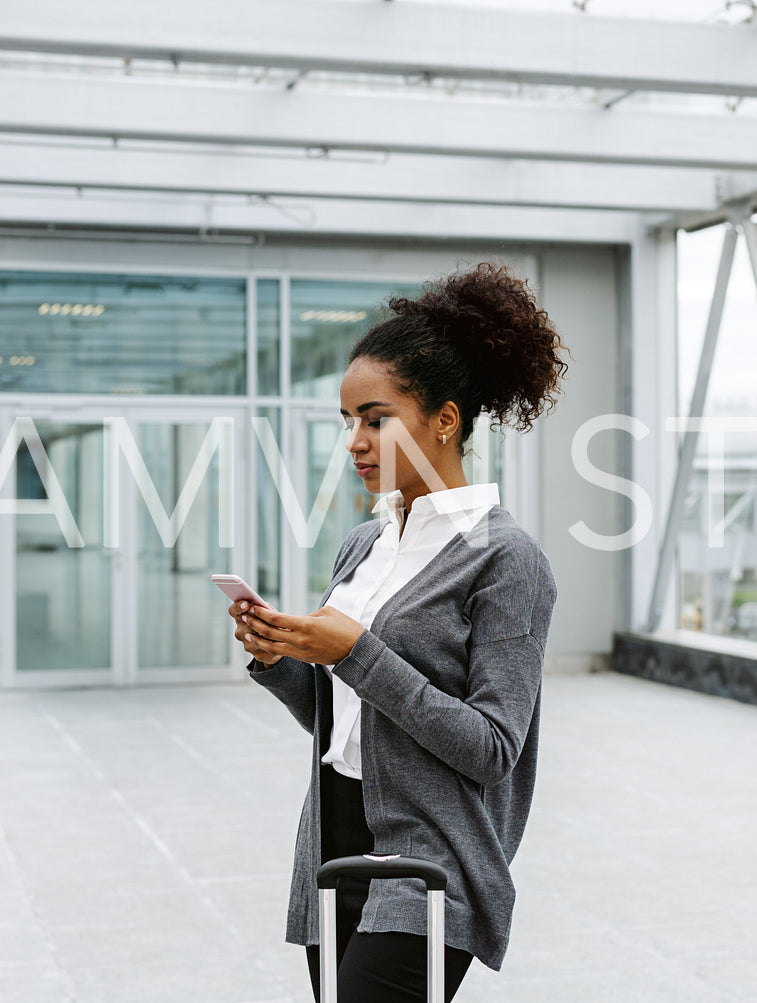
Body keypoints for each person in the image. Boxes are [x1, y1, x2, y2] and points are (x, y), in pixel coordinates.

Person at [226, 259, 569, 1002]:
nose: (354, 440)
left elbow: (491, 748)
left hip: (430, 859)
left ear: (443, 419)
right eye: (346, 420)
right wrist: (283, 658)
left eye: (375, 418)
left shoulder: (506, 560)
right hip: (332, 839)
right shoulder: (364, 544)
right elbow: (340, 716)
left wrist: (355, 651)